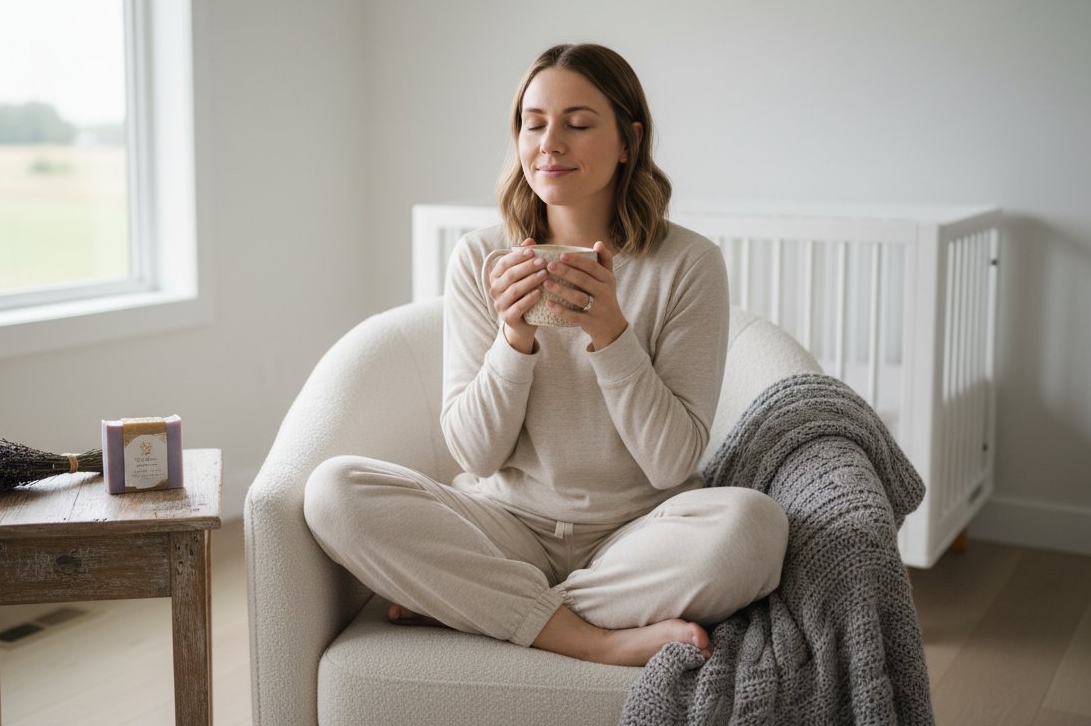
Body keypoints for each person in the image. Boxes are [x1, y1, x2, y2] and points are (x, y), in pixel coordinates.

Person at [304, 43, 788, 667]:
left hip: (635, 536)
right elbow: (475, 453)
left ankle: (480, 606)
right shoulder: (482, 259)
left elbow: (672, 463)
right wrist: (514, 339)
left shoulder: (689, 264)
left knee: (755, 528)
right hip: (504, 527)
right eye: (534, 124)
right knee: (333, 489)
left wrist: (613, 336)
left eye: (578, 124)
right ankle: (588, 638)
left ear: (627, 141)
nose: (550, 143)